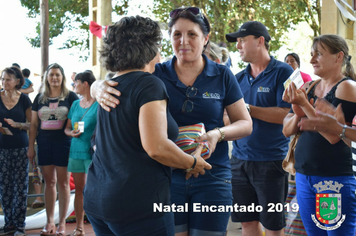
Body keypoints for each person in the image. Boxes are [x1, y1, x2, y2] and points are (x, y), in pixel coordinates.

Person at [90, 7, 253, 236]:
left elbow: (245, 123)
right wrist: (96, 87)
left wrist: (218, 134)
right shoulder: (155, 73)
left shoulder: (222, 75)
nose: (183, 41)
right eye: (177, 34)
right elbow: (119, 81)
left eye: (192, 34)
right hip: (166, 178)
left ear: (205, 39)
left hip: (211, 175)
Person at [83, 15, 213, 236]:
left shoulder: (109, 85)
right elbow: (156, 147)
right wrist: (193, 163)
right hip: (137, 204)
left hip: (98, 198)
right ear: (149, 48)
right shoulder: (148, 83)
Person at [282, 34, 356, 235]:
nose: (312, 60)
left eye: (319, 54)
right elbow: (287, 129)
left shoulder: (347, 88)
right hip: (304, 175)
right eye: (311, 54)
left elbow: (332, 135)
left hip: (332, 179)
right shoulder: (310, 87)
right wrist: (299, 110)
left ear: (338, 57)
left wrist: (304, 105)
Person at [225, 21, 294, 236]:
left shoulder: (284, 72)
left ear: (260, 41)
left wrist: (246, 110)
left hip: (271, 162)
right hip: (238, 161)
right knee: (247, 223)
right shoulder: (237, 78)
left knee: (273, 227)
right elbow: (228, 118)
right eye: (237, 42)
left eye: (242, 40)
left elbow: (286, 115)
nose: (238, 46)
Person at [27, 63, 78, 236]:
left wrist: (78, 134)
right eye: (51, 75)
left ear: (62, 77)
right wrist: (30, 147)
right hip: (44, 143)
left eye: (57, 75)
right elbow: (34, 124)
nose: (54, 78)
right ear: (46, 78)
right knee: (49, 182)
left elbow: (78, 118)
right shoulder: (39, 98)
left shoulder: (71, 96)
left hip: (64, 143)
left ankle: (62, 224)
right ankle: (49, 223)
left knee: (63, 183)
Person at [64, 71, 98, 236]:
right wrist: (71, 134)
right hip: (75, 150)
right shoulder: (75, 105)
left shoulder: (99, 104)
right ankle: (79, 227)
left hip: (93, 152)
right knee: (79, 190)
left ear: (85, 84)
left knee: (95, 189)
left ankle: (100, 226)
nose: (73, 86)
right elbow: (67, 128)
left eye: (75, 82)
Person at [0, 67, 31, 236]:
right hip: (2, 149)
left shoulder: (24, 99)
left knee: (20, 187)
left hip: (21, 148)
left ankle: (20, 224)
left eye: (8, 79)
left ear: (18, 81)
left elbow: (33, 125)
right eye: (2, 79)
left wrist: (19, 125)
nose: (4, 83)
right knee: (4, 187)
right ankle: (9, 223)